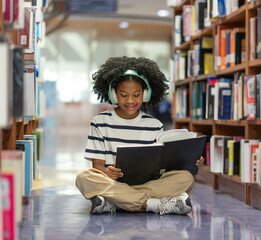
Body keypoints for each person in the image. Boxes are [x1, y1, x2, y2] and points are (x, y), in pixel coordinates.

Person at [75, 56, 204, 215]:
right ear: (114, 94)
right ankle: (153, 205)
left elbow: (162, 166)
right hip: (113, 183)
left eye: (136, 95)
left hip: (146, 184)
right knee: (84, 177)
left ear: (146, 94)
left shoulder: (155, 125)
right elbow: (98, 167)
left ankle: (114, 202)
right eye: (123, 95)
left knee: (186, 178)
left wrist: (189, 161)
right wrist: (107, 173)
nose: (130, 100)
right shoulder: (99, 122)